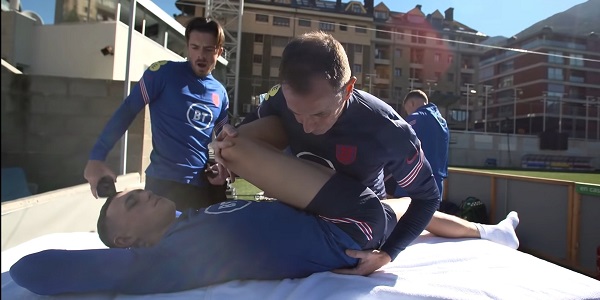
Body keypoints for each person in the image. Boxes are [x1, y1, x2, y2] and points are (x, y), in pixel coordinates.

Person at [211, 31, 519, 276]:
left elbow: (427, 197)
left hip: (361, 208)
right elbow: (247, 134)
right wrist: (227, 156)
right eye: (297, 113)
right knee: (232, 140)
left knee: (403, 209)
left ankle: (488, 232)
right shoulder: (279, 99)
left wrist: (388, 253)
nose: (305, 127)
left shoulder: (387, 130)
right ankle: (492, 231)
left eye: (319, 114)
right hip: (305, 195)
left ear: (347, 90)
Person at [10, 131, 397, 295]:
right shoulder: (163, 260)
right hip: (345, 228)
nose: (144, 194)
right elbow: (29, 270)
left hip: (348, 218)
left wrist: (393, 249)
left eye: (138, 192)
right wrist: (121, 260)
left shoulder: (194, 220)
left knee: (404, 209)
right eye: (132, 203)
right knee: (238, 143)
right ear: (126, 242)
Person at [83, 17, 230, 211]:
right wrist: (96, 157)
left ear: (218, 51)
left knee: (197, 241)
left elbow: (224, 140)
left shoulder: (220, 93)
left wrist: (223, 166)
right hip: (162, 185)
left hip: (200, 188)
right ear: (187, 47)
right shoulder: (162, 74)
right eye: (194, 47)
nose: (200, 55)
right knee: (159, 241)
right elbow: (127, 111)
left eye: (208, 49)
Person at [386, 89, 449, 198]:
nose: (408, 113)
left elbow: (395, 145)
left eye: (407, 110)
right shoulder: (442, 122)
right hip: (437, 184)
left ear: (412, 103)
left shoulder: (415, 118)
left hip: (414, 183)